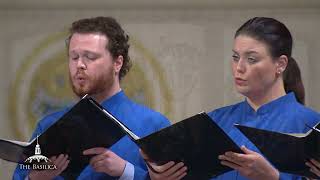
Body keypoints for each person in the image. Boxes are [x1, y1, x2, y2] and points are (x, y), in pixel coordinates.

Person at [142, 17, 320, 180]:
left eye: (251, 59)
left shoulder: (311, 125)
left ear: (280, 64)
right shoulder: (215, 121)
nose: (239, 67)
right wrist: (159, 175)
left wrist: (273, 177)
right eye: (235, 57)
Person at [13, 16, 170, 180]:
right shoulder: (47, 126)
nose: (79, 65)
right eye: (74, 57)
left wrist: (126, 172)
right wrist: (35, 179)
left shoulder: (154, 125)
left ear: (117, 63)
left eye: (90, 57)